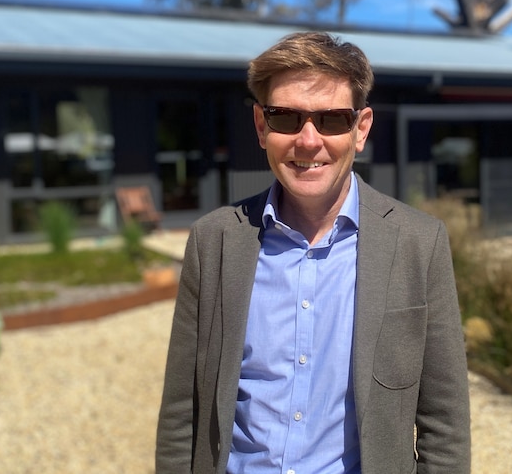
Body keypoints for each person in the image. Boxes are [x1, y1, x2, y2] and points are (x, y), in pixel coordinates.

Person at [156, 31, 471, 474]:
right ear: (262, 127)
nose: (308, 140)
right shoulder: (214, 242)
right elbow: (181, 411)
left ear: (360, 130)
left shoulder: (419, 243)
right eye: (286, 117)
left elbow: (445, 421)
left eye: (332, 119)